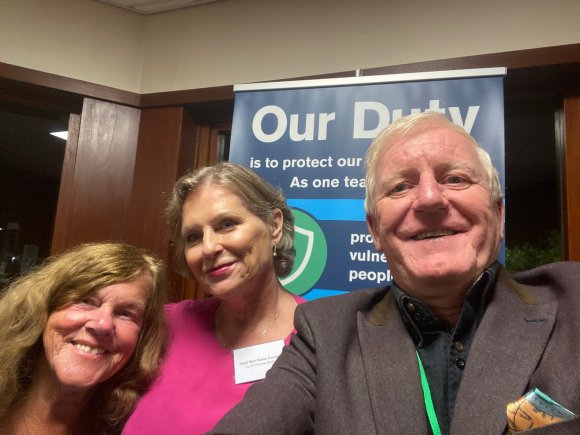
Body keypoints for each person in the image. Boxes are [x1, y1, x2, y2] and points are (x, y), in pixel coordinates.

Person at [210, 112, 580, 434]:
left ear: (498, 215)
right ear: (374, 231)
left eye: (455, 179)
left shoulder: (573, 301)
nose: (430, 199)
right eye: (400, 187)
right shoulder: (324, 334)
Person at [123, 162, 305, 434]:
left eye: (227, 224)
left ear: (274, 226)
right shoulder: (165, 325)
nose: (208, 248)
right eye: (194, 237)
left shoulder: (317, 338)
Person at [0, 242, 167, 435]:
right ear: (43, 310)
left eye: (125, 314)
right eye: (86, 301)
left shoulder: (133, 428)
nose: (102, 324)